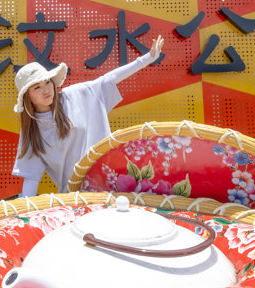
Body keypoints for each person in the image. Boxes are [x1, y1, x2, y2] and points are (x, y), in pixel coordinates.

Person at [12, 35, 164, 197]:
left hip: (112, 189)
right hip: (75, 199)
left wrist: (147, 58)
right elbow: (31, 178)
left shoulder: (76, 95)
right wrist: (26, 211)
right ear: (27, 96)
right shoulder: (32, 132)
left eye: (48, 82)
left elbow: (109, 79)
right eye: (37, 87)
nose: (46, 90)